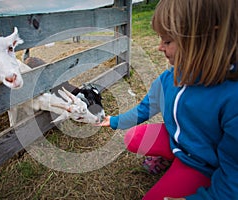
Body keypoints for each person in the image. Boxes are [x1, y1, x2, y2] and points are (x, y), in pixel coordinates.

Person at [97, 0, 238, 199]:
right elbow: (144, 108)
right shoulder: (168, 79)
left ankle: (194, 175)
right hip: (178, 140)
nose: (159, 47)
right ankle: (170, 156)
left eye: (168, 41)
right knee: (133, 138)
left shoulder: (232, 97)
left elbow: (234, 179)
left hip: (200, 162)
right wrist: (113, 121)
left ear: (208, 38)